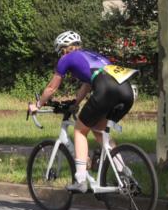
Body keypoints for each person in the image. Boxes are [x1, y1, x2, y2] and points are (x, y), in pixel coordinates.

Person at [27, 30, 138, 192]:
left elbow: (51, 88)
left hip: (106, 89)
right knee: (100, 132)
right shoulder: (93, 56)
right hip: (126, 92)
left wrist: (38, 104)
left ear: (63, 48)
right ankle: (125, 175)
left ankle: (80, 180)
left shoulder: (66, 59)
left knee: (79, 130)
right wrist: (76, 102)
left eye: (59, 51)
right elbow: (87, 84)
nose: (60, 54)